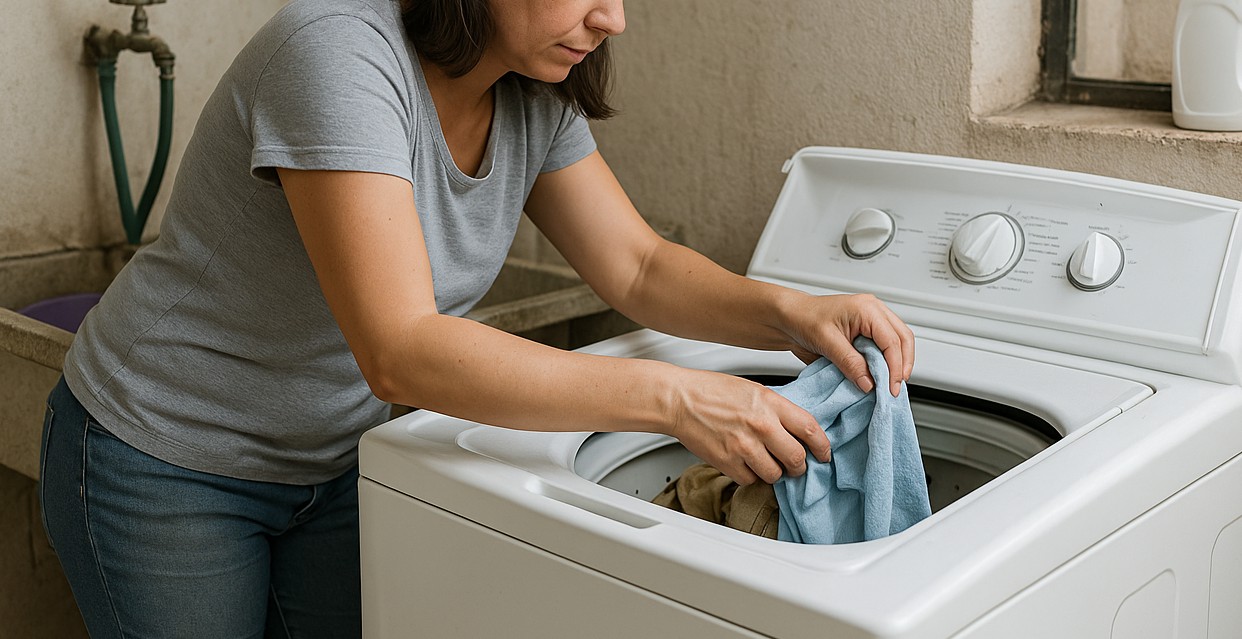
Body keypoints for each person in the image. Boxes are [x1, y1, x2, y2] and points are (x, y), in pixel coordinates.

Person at [40, 0, 915, 636]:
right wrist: (680, 399)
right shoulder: (336, 54)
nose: (614, 19)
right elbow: (402, 349)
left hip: (342, 456)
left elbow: (638, 266)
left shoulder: (531, 86)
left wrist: (792, 310)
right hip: (165, 456)